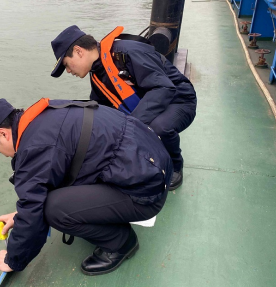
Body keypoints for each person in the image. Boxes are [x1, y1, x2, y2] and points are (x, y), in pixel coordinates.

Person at [0, 97, 173, 276]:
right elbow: (46, 181)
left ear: (3, 134)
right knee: (50, 200)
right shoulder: (47, 114)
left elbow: (34, 213)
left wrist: (12, 260)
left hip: (146, 193)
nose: (4, 155)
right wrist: (19, 215)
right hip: (155, 165)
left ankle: (121, 243)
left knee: (53, 209)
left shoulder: (31, 148)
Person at [50, 25, 197, 191]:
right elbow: (102, 109)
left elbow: (164, 88)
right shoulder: (98, 72)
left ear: (78, 51)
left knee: (158, 127)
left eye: (67, 65)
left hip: (179, 99)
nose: (69, 71)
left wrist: (132, 125)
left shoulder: (128, 52)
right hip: (151, 102)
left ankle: (175, 165)